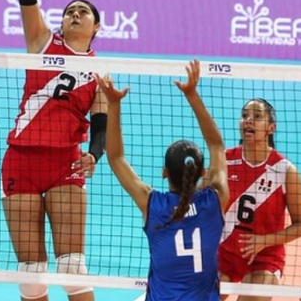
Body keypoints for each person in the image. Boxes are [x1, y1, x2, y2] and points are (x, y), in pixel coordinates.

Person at [0, 0, 108, 301]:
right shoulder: (42, 42)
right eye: (69, 11)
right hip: (21, 160)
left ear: (97, 27)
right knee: (31, 274)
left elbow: (101, 121)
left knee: (72, 268)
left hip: (65, 162)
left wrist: (94, 155)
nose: (75, 14)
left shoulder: (100, 72)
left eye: (84, 12)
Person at [96, 60, 229, 301]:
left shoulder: (152, 204)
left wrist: (113, 104)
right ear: (201, 174)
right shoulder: (215, 200)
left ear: (164, 172)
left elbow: (115, 158)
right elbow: (217, 145)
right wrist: (192, 95)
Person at [218, 99, 301, 301]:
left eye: (257, 117)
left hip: (265, 257)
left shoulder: (285, 171)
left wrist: (263, 241)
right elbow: (202, 201)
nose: (248, 121)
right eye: (244, 116)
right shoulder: (224, 161)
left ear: (271, 128)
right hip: (224, 253)